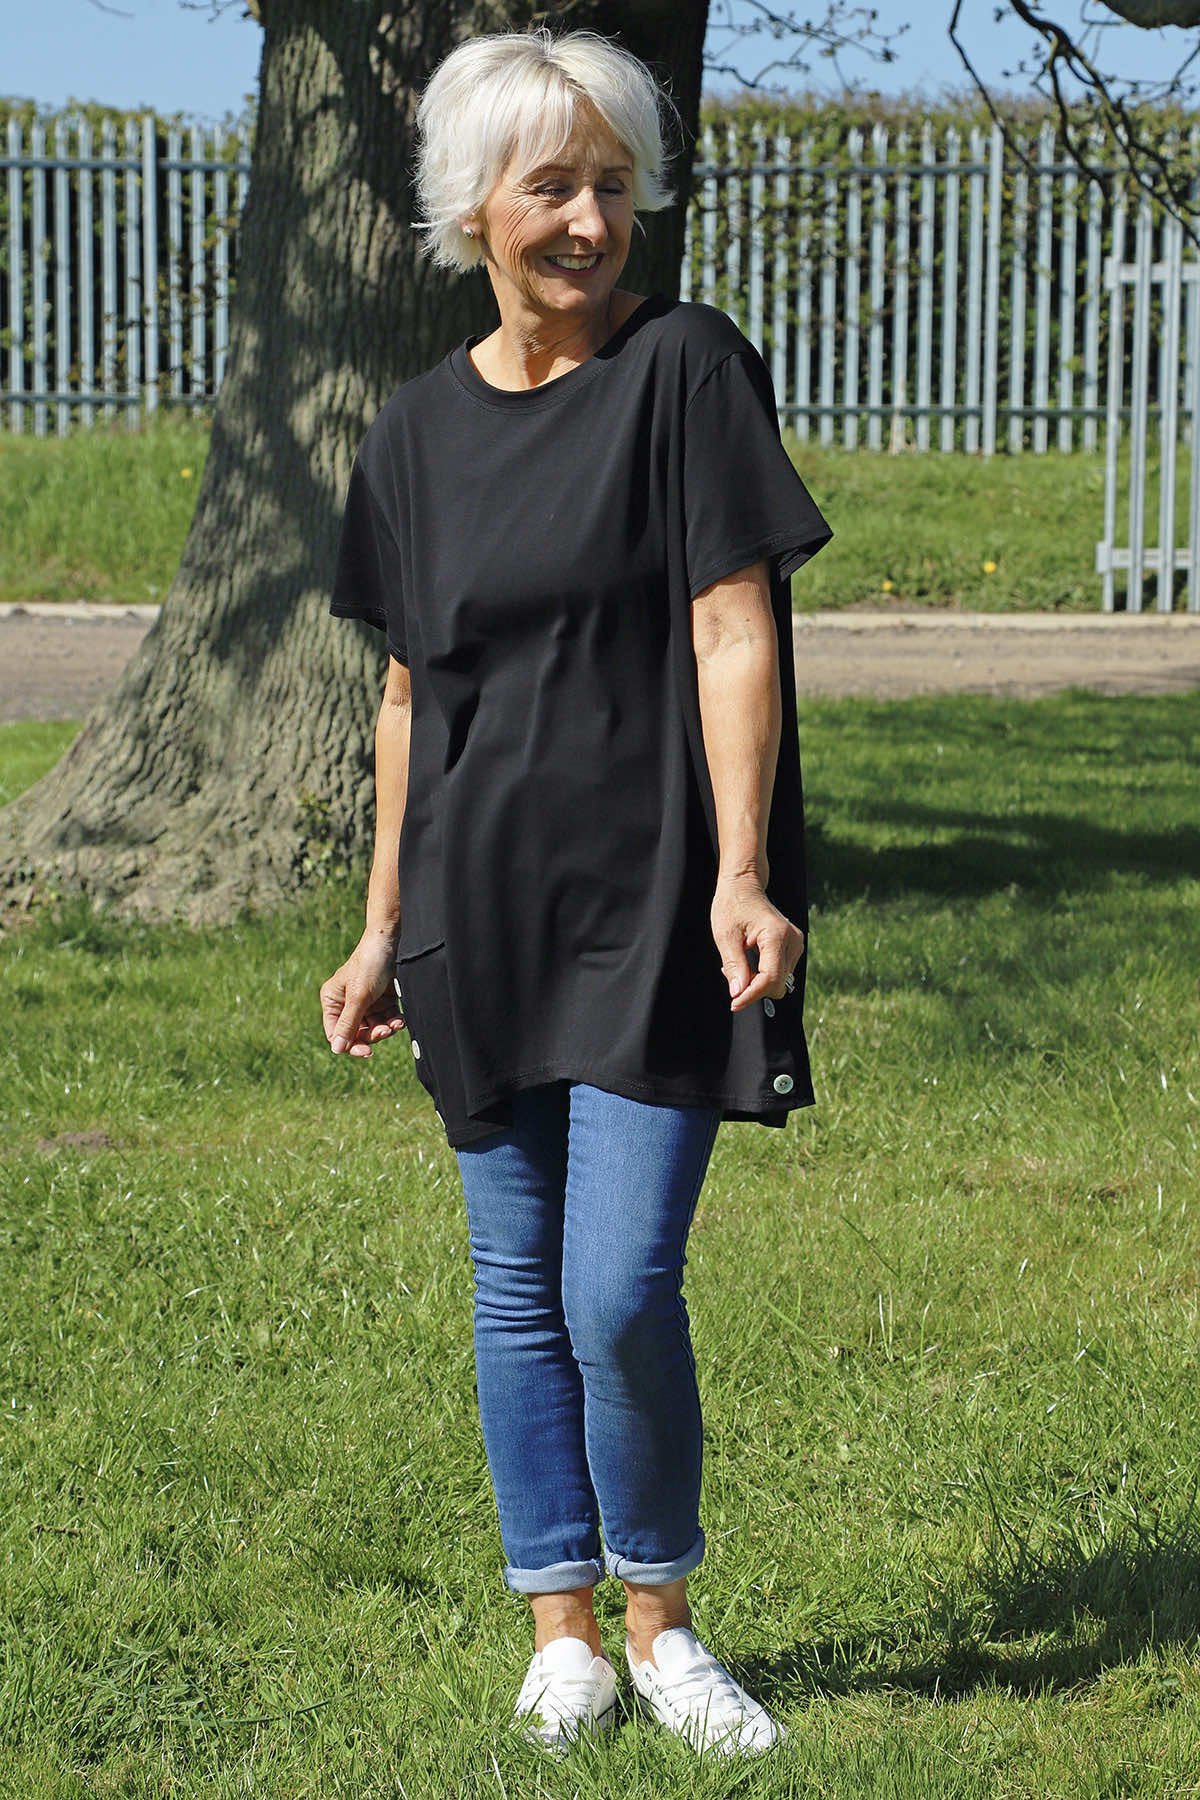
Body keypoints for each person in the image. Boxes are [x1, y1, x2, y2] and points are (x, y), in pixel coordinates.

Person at [319, 27, 832, 1758]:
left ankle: (664, 1623)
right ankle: (563, 1636)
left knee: (616, 1286)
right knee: (515, 1288)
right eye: (554, 186)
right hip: (477, 913)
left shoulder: (686, 370)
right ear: (475, 207)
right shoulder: (411, 435)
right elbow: (409, 699)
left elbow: (733, 625)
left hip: (661, 899)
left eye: (616, 185)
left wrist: (746, 870)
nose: (594, 221)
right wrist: (381, 927)